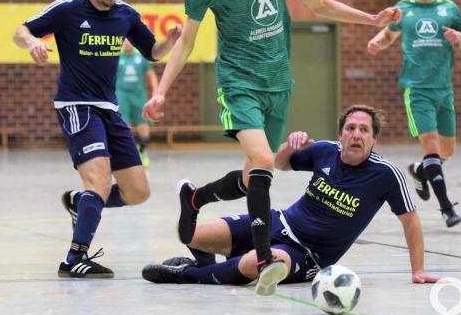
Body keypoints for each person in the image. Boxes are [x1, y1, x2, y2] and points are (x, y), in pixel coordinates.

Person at [141, 0, 401, 295]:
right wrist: (162, 92)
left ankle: (195, 198)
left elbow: (319, 4)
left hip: (278, 85)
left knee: (252, 177)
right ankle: (264, 258)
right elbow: (187, 41)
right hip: (238, 84)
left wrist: (371, 19)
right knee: (264, 160)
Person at [141, 105, 440, 294]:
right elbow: (280, 163)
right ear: (341, 134)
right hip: (278, 222)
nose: (356, 135)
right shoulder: (325, 151)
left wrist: (417, 271)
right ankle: (203, 261)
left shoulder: (386, 174)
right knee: (192, 234)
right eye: (350, 128)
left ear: (375, 138)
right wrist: (290, 145)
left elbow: (410, 220)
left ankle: (188, 275)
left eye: (364, 130)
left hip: (307, 255)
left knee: (257, 264)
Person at [12, 0, 182, 278]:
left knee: (137, 192)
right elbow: (20, 31)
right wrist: (33, 43)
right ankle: (74, 259)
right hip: (76, 105)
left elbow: (152, 52)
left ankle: (82, 201)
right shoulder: (68, 10)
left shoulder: (126, 15)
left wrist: (170, 42)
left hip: (109, 108)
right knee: (100, 181)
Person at [367, 0, 461, 228]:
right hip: (417, 89)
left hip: (444, 89)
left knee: (447, 151)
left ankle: (420, 170)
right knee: (431, 144)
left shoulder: (449, 9)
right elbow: (388, 34)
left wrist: (460, 39)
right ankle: (447, 209)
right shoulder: (403, 9)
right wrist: (377, 42)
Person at [116, 39, 158, 167]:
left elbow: (151, 74)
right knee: (124, 125)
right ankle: (131, 153)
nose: (127, 43)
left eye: (130, 41)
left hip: (139, 95)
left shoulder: (140, 57)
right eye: (125, 40)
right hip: (122, 95)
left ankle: (142, 151)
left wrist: (156, 91)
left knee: (143, 126)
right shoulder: (116, 56)